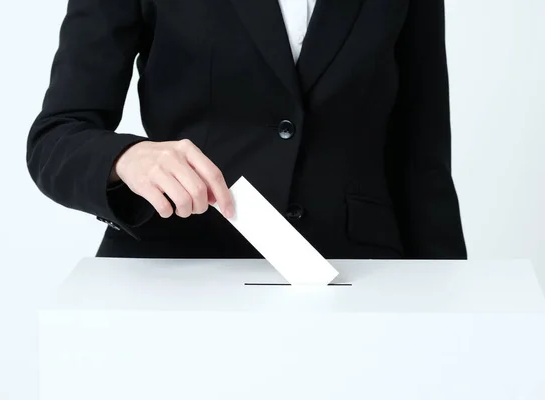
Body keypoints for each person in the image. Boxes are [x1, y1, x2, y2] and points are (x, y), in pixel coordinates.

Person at [26, 0, 467, 260]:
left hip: (356, 277)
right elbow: (57, 137)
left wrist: (452, 310)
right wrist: (127, 159)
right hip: (178, 275)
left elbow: (421, 157)